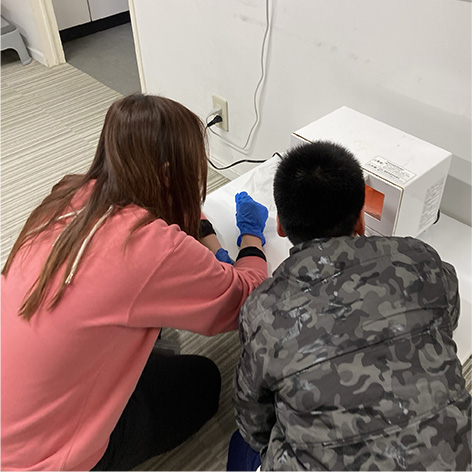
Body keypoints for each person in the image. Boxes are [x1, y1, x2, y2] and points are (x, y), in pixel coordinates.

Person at [1, 94, 269, 471]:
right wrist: (252, 238)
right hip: (43, 459)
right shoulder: (150, 246)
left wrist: (197, 226)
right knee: (204, 380)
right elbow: (246, 298)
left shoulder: (66, 194)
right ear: (166, 174)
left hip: (13, 412)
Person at [228, 141, 471, 471]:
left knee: (240, 445)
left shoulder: (264, 308)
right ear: (360, 221)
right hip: (455, 458)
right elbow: (449, 316)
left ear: (281, 226)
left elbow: (253, 421)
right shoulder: (422, 259)